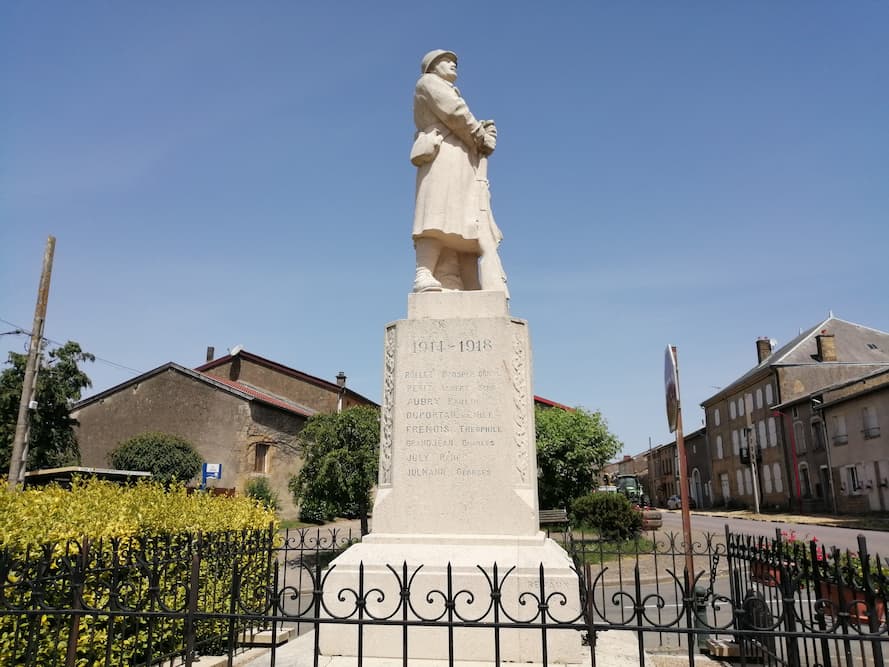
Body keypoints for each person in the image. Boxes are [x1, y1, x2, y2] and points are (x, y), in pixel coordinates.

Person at [411, 49, 507, 294]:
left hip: (461, 158)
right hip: (443, 155)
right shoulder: (429, 82)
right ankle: (424, 273)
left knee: (458, 219)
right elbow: (455, 112)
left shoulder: (445, 87)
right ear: (432, 66)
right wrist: (480, 135)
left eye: (455, 62)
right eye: (446, 61)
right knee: (436, 213)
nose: (453, 65)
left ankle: (448, 276)